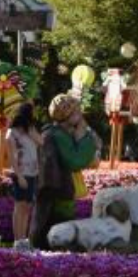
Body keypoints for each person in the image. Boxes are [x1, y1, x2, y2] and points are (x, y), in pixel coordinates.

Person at [30, 95, 99, 249]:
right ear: (68, 115)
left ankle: (47, 247)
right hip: (57, 189)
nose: (80, 116)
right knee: (55, 221)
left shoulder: (59, 133)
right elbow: (76, 160)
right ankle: (49, 248)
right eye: (77, 112)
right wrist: (84, 138)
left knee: (47, 219)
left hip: (55, 188)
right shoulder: (58, 135)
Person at [7, 102, 43, 244]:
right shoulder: (12, 133)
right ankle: (18, 239)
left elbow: (41, 142)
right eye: (33, 112)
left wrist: (31, 131)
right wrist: (19, 176)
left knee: (28, 207)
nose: (35, 115)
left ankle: (24, 239)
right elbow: (12, 157)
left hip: (33, 173)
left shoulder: (30, 129)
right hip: (20, 174)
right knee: (19, 206)